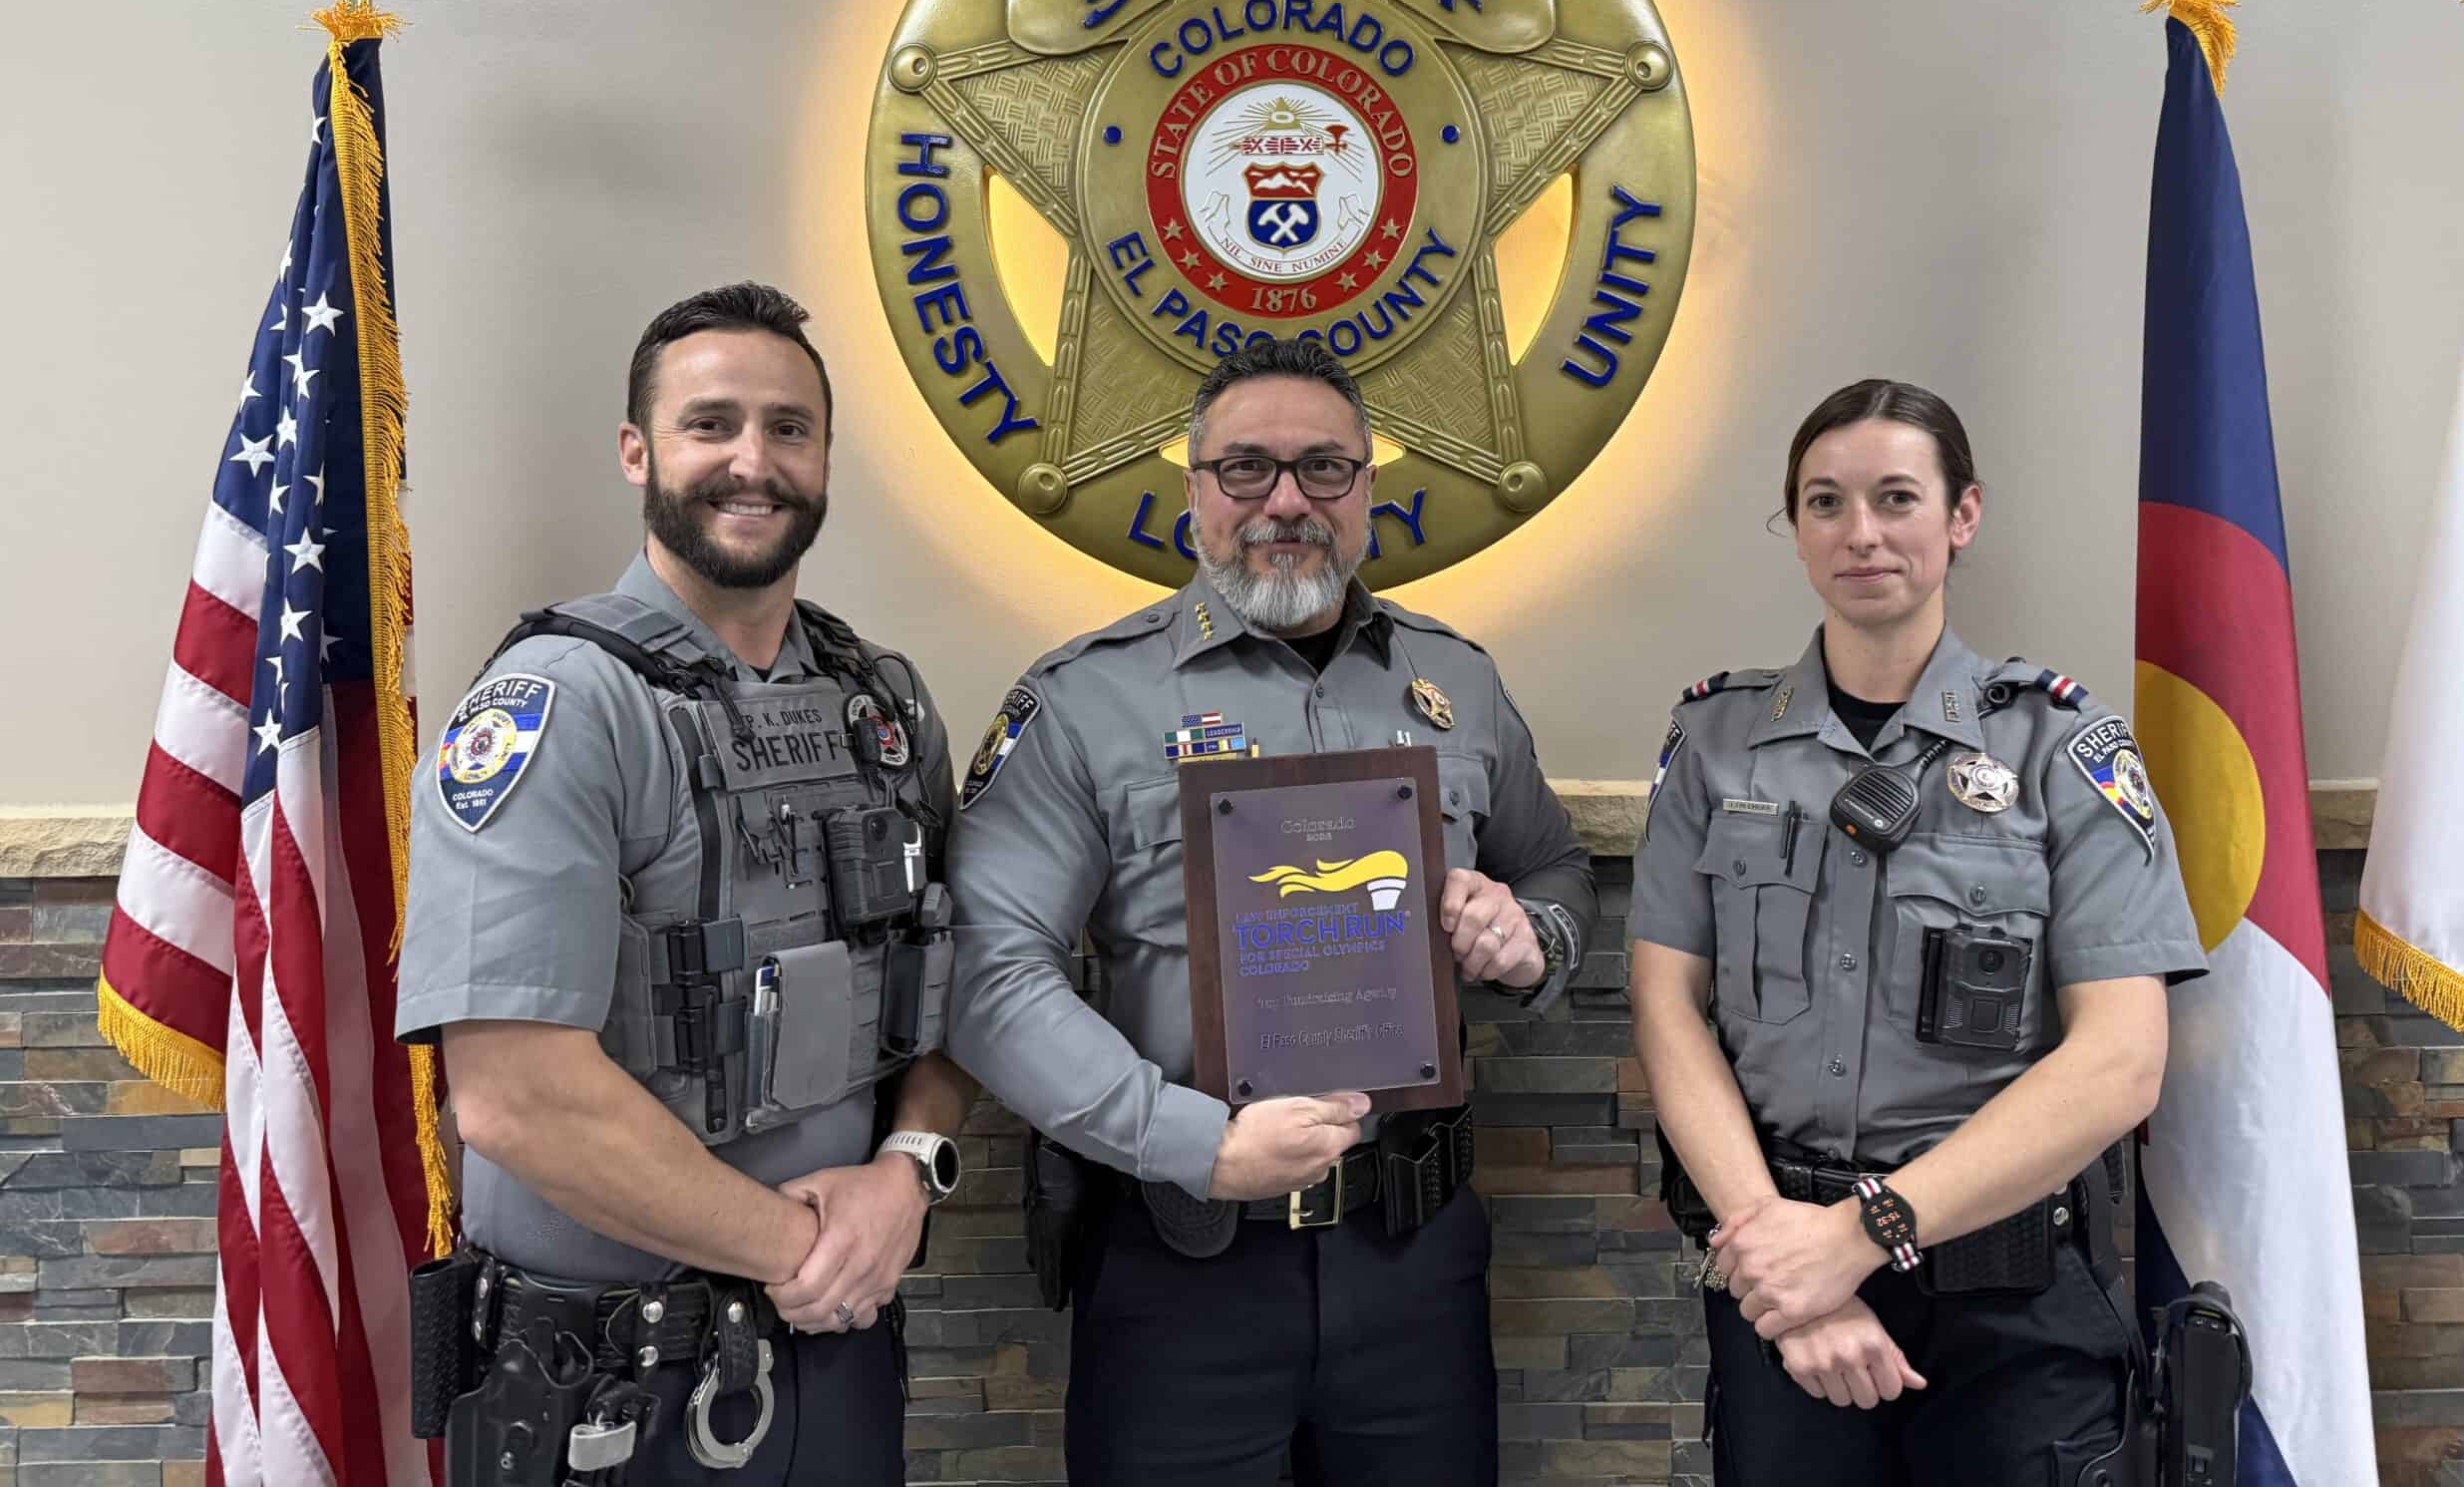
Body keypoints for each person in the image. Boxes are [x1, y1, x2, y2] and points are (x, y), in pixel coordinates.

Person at [944, 335, 1593, 1486]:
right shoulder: (1083, 698)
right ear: (1192, 490)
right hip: (1180, 1262)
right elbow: (994, 977)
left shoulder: (1460, 683)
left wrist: (1526, 942)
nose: (1285, 501)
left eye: (1323, 470)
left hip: (1416, 1259)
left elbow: (1552, 869)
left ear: (1368, 493)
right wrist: (1200, 1146)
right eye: (1245, 468)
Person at [396, 283, 974, 1484]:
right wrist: (805, 1253)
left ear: (824, 457)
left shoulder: (886, 705)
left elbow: (951, 985)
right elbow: (513, 1099)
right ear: (636, 450)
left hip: (837, 1354)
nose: (751, 460)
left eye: (788, 427)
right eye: (710, 424)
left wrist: (907, 1172)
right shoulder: (560, 708)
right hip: (606, 1382)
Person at [1629, 378, 2207, 1487]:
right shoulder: (1714, 743)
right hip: (1782, 1278)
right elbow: (1667, 1013)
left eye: (1896, 498)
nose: (1861, 533)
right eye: (1824, 502)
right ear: (1794, 527)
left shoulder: (2061, 747)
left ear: (1962, 516)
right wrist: (1786, 1269)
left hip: (2011, 1297)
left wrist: (1855, 1237)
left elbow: (2121, 1063)